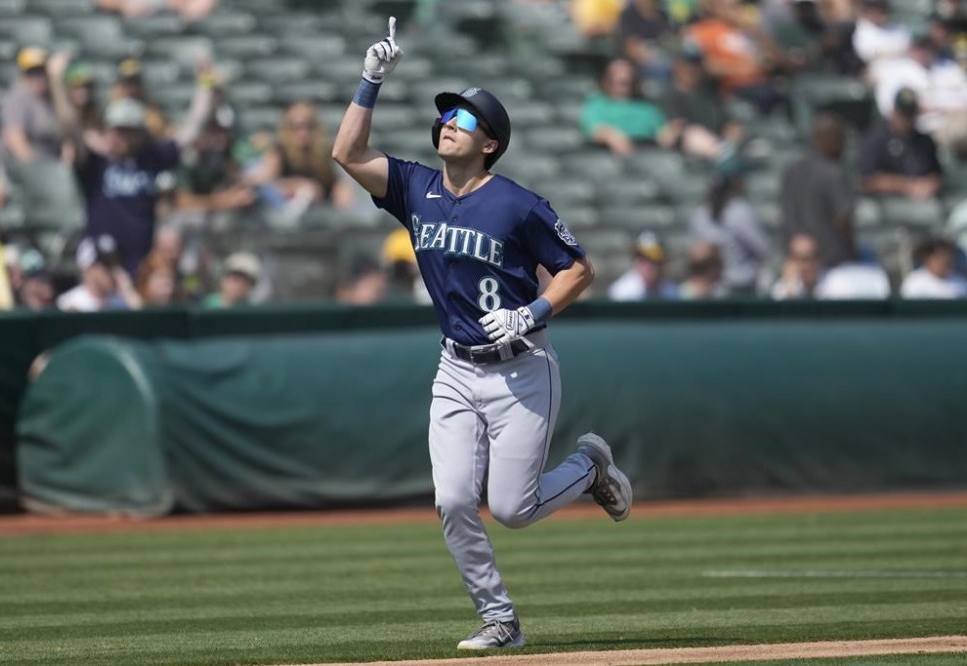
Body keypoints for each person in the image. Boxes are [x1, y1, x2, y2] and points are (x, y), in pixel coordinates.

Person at [332, 17, 633, 651]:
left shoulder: (519, 203)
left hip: (521, 368)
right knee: (451, 498)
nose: (449, 123)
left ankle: (589, 467)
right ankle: (500, 619)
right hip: (456, 369)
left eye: (464, 119)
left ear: (490, 143)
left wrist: (533, 313)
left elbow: (580, 270)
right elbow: (348, 155)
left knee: (515, 510)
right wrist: (370, 80)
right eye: (446, 116)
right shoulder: (416, 187)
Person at [48, 51, 214, 275]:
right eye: (119, 130)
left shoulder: (150, 157)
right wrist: (56, 82)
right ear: (108, 130)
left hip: (142, 262)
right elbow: (70, 124)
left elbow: (192, 129)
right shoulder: (96, 162)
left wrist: (205, 84)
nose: (124, 137)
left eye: (130, 131)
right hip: (101, 264)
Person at [248, 101, 353, 218]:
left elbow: (337, 183)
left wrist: (341, 191)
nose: (302, 133)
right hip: (287, 209)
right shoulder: (279, 151)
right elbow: (267, 184)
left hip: (320, 211)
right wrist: (297, 185)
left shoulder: (324, 152)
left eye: (308, 126)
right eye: (296, 127)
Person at [781, 112, 857, 268]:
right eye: (838, 136)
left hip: (797, 261)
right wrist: (853, 251)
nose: (843, 142)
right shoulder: (836, 173)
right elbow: (842, 220)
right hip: (832, 261)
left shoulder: (792, 170)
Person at [872, 32, 967, 157]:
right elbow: (890, 110)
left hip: (954, 122)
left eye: (925, 46)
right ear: (909, 47)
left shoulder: (949, 68)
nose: (922, 51)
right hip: (918, 128)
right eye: (917, 47)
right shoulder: (895, 71)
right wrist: (924, 108)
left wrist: (936, 107)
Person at [689, 158, 769, 294]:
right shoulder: (740, 210)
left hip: (711, 287)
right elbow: (763, 248)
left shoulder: (699, 213)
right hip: (741, 287)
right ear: (735, 181)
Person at [657, 40, 745, 161]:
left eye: (697, 64)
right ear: (677, 65)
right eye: (687, 63)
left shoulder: (710, 94)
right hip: (686, 156)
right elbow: (674, 130)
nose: (692, 69)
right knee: (692, 134)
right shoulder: (667, 96)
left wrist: (731, 138)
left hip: (719, 148)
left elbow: (728, 124)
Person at [857, 88, 943, 200]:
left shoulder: (925, 141)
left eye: (911, 114)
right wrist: (907, 186)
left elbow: (937, 175)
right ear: (894, 111)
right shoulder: (875, 139)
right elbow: (866, 180)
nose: (907, 119)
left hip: (923, 204)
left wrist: (930, 185)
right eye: (903, 114)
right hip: (885, 205)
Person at [580, 58, 679, 157]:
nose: (624, 76)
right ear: (606, 79)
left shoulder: (646, 108)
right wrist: (610, 136)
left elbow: (662, 130)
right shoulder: (597, 104)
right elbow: (594, 129)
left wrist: (670, 132)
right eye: (617, 74)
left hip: (646, 156)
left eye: (627, 73)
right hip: (610, 157)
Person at [0, 47, 63, 165]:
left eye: (41, 71)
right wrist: (40, 168)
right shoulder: (17, 98)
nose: (38, 77)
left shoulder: (50, 98)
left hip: (49, 166)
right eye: (32, 72)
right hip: (21, 171)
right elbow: (15, 142)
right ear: (23, 74)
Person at [57, 235, 140, 312]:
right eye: (106, 264)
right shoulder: (69, 303)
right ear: (88, 269)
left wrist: (128, 291)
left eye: (115, 262)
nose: (113, 270)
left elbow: (140, 321)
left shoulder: (122, 302)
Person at [608, 231, 680, 300]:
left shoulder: (672, 292)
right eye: (645, 259)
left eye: (656, 261)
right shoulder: (621, 292)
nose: (651, 266)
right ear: (637, 261)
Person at [618, 0, 675, 81]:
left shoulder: (663, 16)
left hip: (665, 61)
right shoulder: (628, 15)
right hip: (641, 66)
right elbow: (631, 48)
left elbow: (670, 42)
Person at [900, 237, 967, 298]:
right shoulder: (914, 282)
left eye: (949, 257)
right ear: (928, 258)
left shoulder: (960, 282)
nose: (946, 261)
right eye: (941, 256)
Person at [770, 233, 823, 299]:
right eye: (797, 259)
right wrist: (790, 286)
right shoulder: (780, 289)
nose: (805, 266)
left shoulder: (834, 285)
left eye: (808, 259)